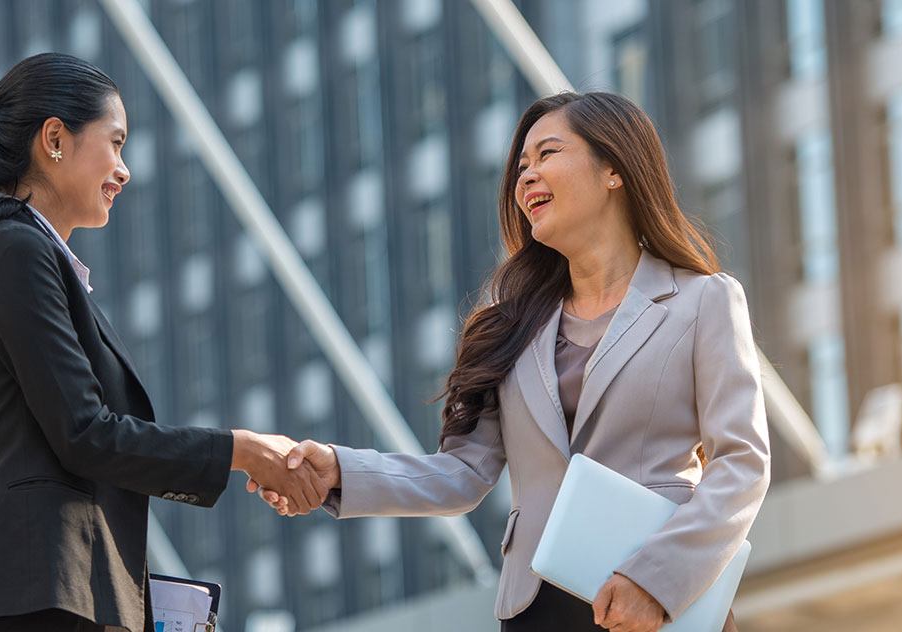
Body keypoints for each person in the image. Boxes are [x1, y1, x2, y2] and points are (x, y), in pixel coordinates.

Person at [253, 92, 770, 632]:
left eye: (547, 155)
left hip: (656, 603)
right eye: (521, 166)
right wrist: (340, 470)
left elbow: (742, 462)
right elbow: (460, 475)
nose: (525, 178)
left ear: (614, 169)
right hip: (537, 609)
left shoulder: (703, 301)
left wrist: (658, 580)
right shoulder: (511, 326)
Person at [0, 53, 327, 632]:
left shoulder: (27, 256)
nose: (124, 170)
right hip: (42, 594)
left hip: (55, 592)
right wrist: (242, 451)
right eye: (116, 142)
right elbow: (85, 433)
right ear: (54, 139)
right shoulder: (16, 251)